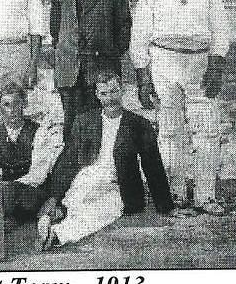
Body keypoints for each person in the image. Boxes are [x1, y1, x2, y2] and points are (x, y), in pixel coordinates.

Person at [130, 0, 230, 215]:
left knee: (207, 130)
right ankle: (175, 193)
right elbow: (140, 34)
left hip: (199, 63)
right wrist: (142, 76)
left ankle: (205, 195)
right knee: (171, 131)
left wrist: (217, 64)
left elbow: (220, 27)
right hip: (163, 62)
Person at [38, 71, 174, 250]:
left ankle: (58, 234)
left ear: (122, 90)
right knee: (79, 197)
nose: (110, 99)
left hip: (118, 185)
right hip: (88, 178)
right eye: (104, 93)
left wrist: (166, 206)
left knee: (108, 210)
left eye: (114, 91)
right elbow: (68, 160)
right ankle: (59, 212)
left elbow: (153, 165)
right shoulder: (84, 121)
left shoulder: (139, 124)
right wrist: (54, 196)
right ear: (96, 94)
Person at [50, 0, 132, 140]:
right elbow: (55, 29)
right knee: (72, 125)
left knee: (102, 124)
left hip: (101, 69)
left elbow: (124, 27)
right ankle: (73, 170)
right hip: (69, 70)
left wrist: (107, 54)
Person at [0, 82, 64, 222]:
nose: (12, 111)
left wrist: (8, 188)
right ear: (0, 107)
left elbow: (38, 176)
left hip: (33, 193)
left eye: (17, 104)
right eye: (7, 105)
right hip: (8, 198)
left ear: (24, 104)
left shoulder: (39, 132)